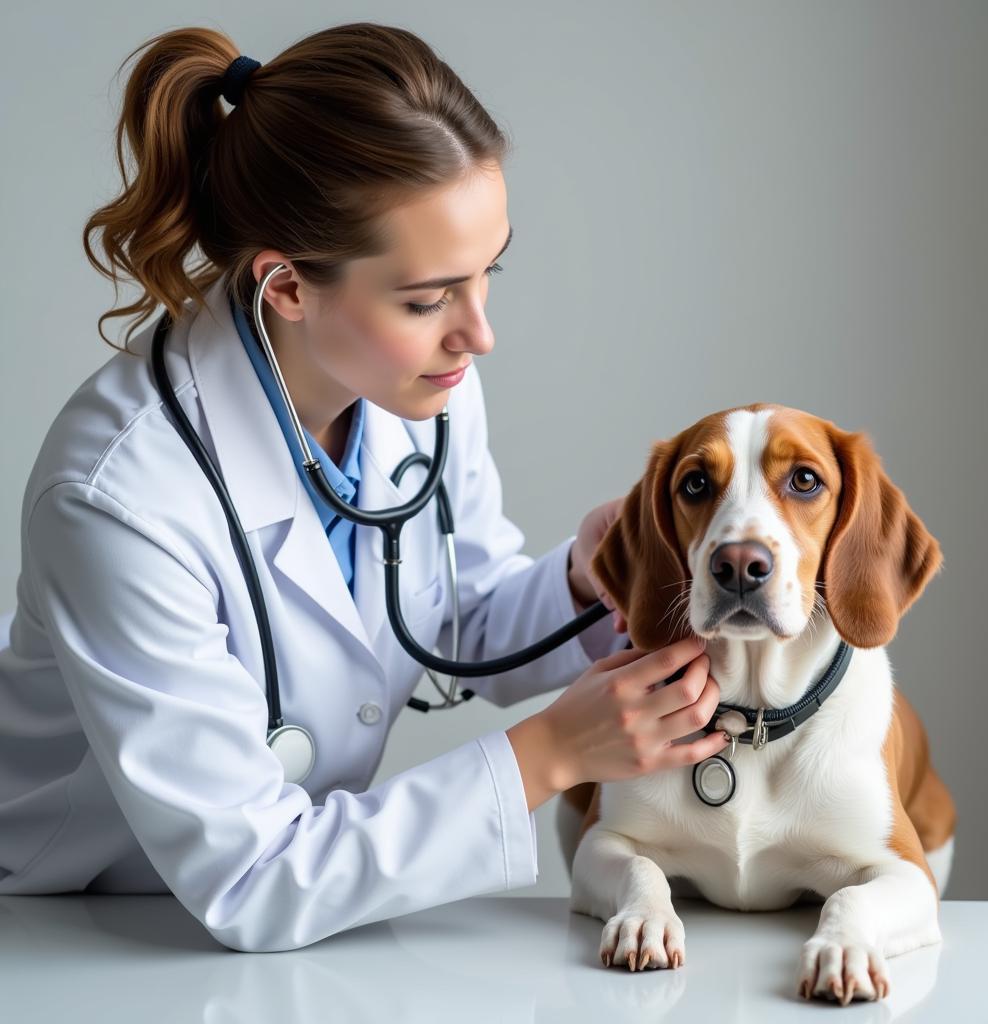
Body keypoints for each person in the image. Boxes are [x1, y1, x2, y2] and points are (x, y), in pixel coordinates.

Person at [0, 23, 728, 952]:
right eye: (428, 298)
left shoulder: (418, 384)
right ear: (288, 287)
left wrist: (584, 584)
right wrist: (549, 754)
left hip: (255, 915)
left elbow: (450, 616)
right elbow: (254, 878)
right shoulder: (119, 499)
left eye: (486, 274)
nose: (478, 332)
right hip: (61, 914)